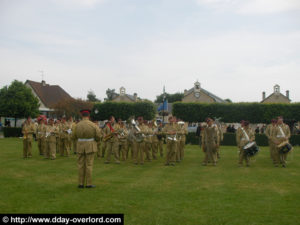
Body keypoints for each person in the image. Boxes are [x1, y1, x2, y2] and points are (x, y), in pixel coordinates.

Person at [73, 109, 101, 188]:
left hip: (80, 146)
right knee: (89, 165)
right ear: (88, 116)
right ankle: (89, 183)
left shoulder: (77, 125)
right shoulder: (93, 125)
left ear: (82, 115)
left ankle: (80, 183)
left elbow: (73, 136)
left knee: (80, 165)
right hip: (90, 146)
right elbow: (98, 136)